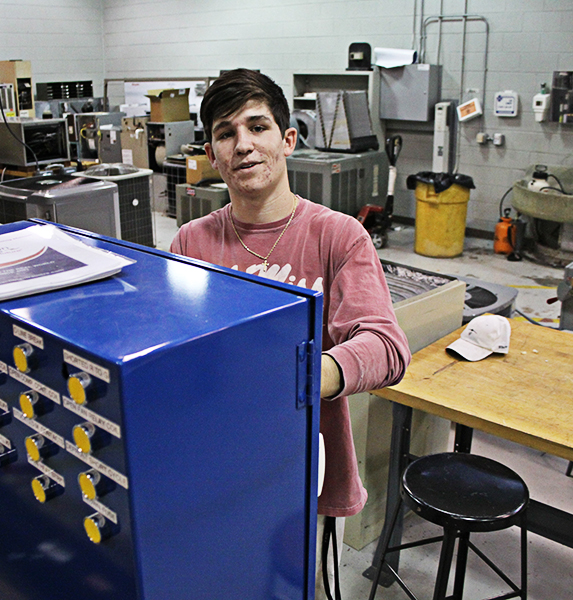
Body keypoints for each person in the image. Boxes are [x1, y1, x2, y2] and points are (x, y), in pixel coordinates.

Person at [170, 68, 410, 596]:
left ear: (287, 139)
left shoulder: (337, 235)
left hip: (307, 470)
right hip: (221, 469)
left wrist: (299, 375)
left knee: (298, 586)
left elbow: (387, 347)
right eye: (226, 133)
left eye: (258, 127)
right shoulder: (191, 242)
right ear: (212, 153)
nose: (243, 145)